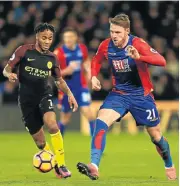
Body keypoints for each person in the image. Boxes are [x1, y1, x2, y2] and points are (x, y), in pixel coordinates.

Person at [77, 14, 176, 181]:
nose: (114, 35)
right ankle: (94, 166)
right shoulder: (106, 45)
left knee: (156, 136)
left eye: (117, 32)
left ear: (127, 31)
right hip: (119, 94)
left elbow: (161, 61)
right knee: (101, 122)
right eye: (111, 31)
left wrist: (139, 57)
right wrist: (93, 76)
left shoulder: (137, 44)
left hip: (141, 96)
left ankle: (169, 164)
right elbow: (96, 60)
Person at [3, 23, 78, 179]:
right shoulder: (24, 51)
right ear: (37, 36)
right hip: (26, 101)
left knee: (52, 124)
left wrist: (70, 94)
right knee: (40, 143)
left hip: (44, 95)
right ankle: (54, 162)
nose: (47, 41)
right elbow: (7, 68)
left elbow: (59, 80)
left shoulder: (52, 57)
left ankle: (61, 165)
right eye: (44, 38)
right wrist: (9, 74)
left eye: (50, 38)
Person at [54, 27, 95, 137]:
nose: (69, 39)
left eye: (71, 36)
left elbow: (86, 60)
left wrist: (89, 71)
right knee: (65, 118)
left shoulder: (82, 48)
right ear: (63, 38)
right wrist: (65, 71)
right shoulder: (58, 53)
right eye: (66, 37)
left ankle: (96, 145)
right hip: (66, 89)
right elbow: (51, 73)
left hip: (81, 86)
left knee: (88, 113)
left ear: (76, 38)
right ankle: (58, 143)